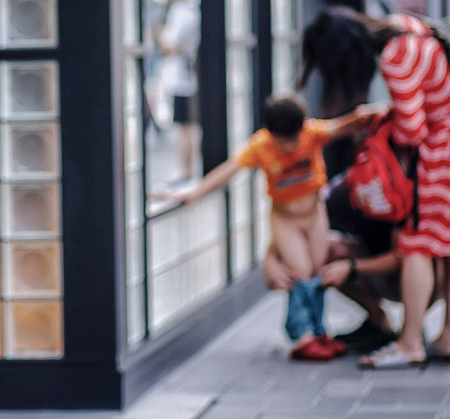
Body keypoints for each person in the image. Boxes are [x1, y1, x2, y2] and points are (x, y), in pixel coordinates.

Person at [300, 6, 450, 369]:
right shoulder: (409, 27)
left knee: (415, 243)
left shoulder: (396, 55)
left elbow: (412, 129)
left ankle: (410, 343)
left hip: (441, 158)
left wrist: (379, 126)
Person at [160, 94, 377, 361]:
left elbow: (344, 125)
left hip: (314, 215)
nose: (290, 147)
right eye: (284, 142)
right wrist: (196, 191)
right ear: (271, 134)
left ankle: (319, 330)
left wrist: (368, 115)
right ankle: (302, 335)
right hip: (286, 220)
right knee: (301, 272)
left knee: (317, 271)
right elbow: (230, 168)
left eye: (294, 140)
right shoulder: (261, 146)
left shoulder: (311, 133)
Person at [263, 173, 444, 355]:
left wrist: (352, 268)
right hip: (376, 271)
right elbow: (302, 222)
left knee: (426, 257)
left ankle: (413, 329)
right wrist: (271, 261)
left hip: (420, 274)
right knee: (328, 248)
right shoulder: (345, 191)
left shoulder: (406, 187)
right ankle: (378, 322)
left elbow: (404, 255)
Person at [157, 0, 201, 180]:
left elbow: (170, 44)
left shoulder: (180, 11)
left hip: (181, 78)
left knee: (184, 127)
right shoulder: (194, 10)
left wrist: (158, 33)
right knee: (189, 127)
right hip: (190, 76)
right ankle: (189, 170)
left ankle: (186, 170)